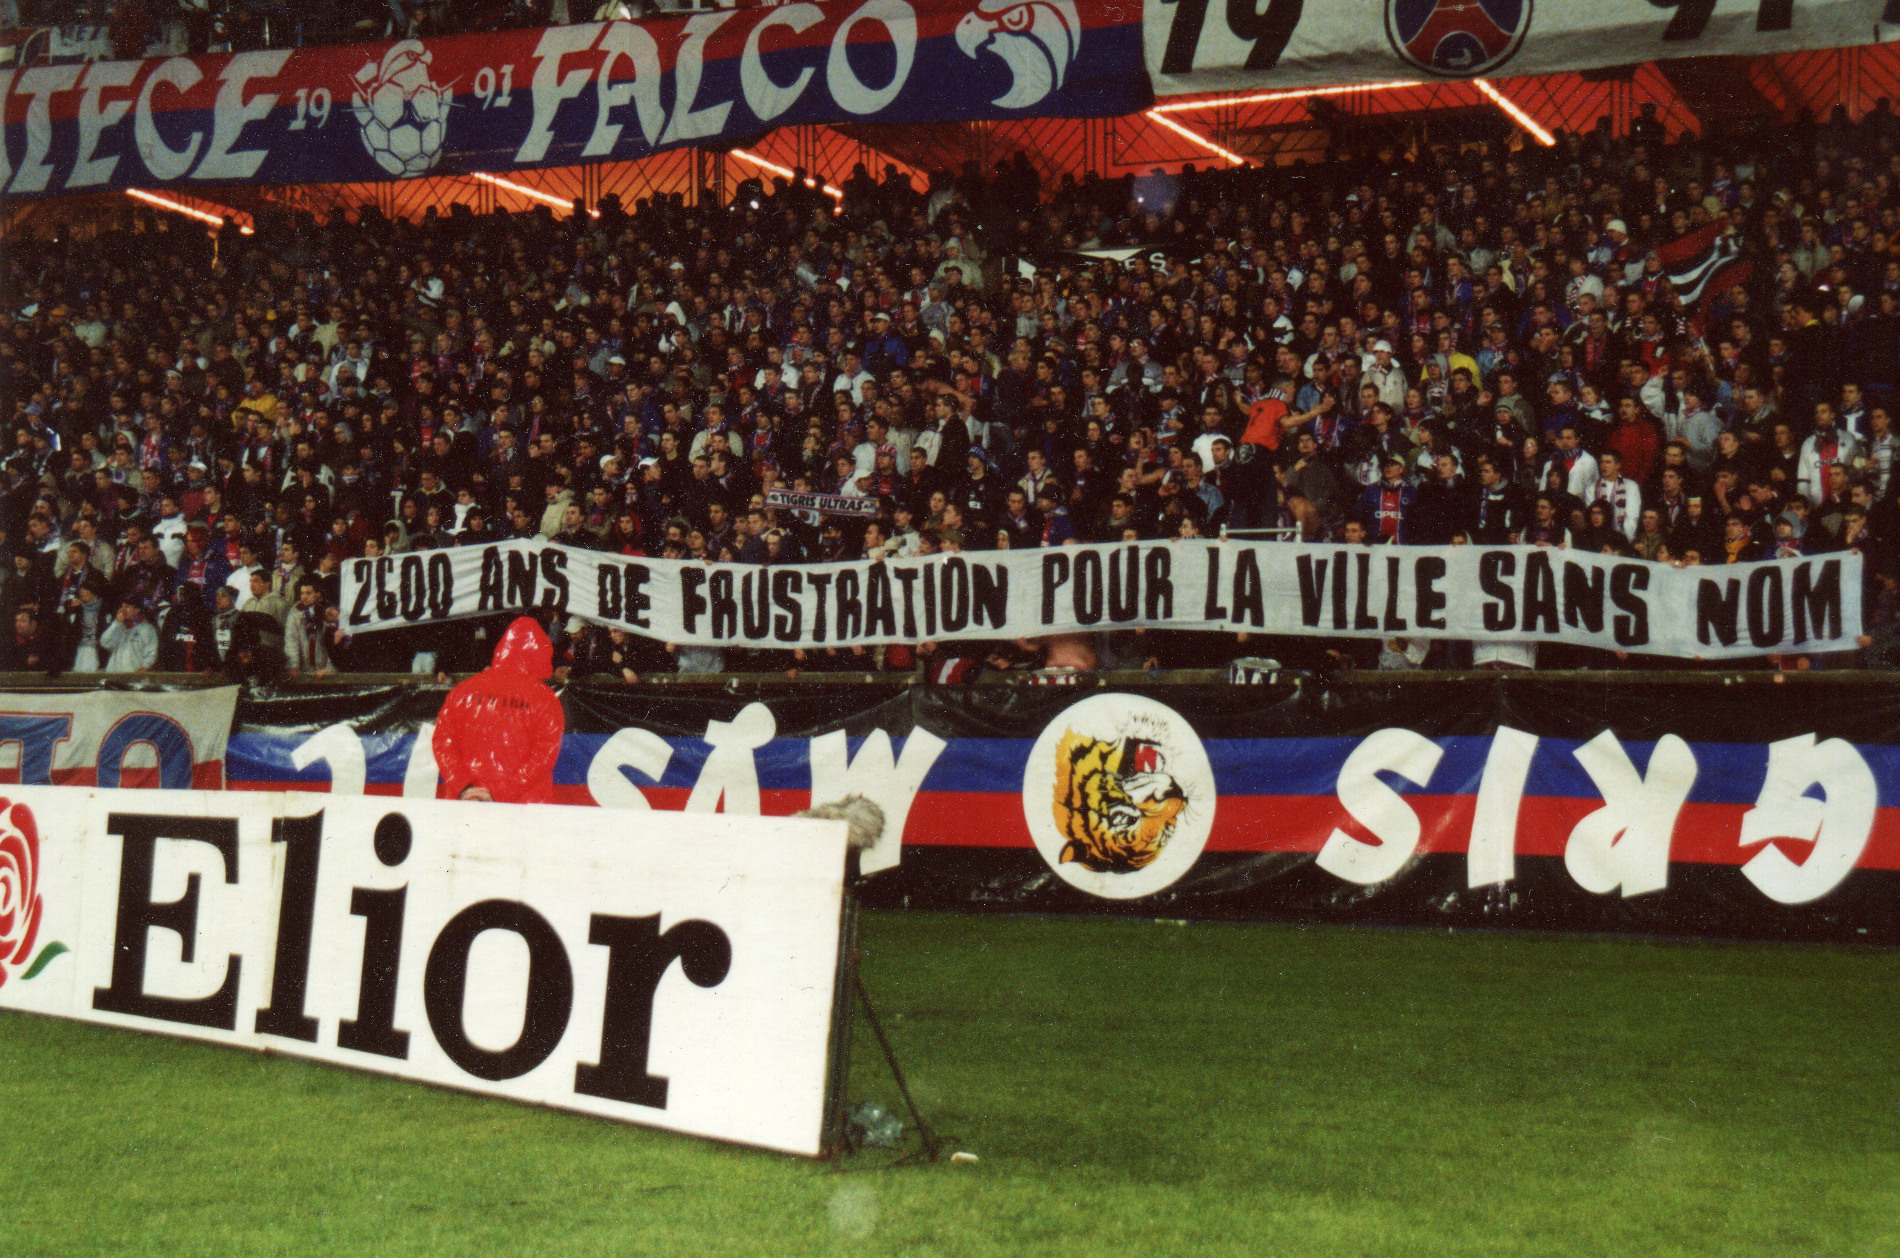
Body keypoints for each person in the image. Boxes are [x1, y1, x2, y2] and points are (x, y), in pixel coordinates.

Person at [431, 616, 564, 803]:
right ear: (542, 654)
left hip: (465, 802)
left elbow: (442, 742)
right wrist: (499, 793)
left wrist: (464, 787)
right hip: (521, 806)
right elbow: (544, 756)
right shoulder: (545, 699)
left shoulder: (462, 691)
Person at [100, 599, 158, 673]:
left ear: (137, 610)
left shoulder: (147, 628)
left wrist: (146, 666)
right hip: (114, 673)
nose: (123, 610)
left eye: (127, 607)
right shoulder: (118, 626)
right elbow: (105, 643)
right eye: (122, 607)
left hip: (134, 673)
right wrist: (116, 623)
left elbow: (152, 650)